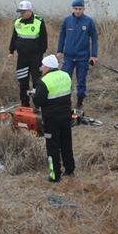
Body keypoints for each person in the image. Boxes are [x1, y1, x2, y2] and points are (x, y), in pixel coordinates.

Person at [33, 54, 75, 182]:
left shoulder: (44, 81)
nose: (41, 68)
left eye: (43, 65)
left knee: (52, 147)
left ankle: (55, 174)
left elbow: (38, 101)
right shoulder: (66, 75)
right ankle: (70, 169)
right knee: (66, 143)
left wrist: (34, 95)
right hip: (66, 116)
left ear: (48, 66)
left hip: (51, 119)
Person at [56, 0, 99, 111]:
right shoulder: (67, 20)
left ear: (83, 9)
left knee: (81, 81)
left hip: (83, 57)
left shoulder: (88, 21)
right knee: (65, 79)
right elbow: (62, 36)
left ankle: (79, 103)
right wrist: (59, 50)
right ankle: (65, 102)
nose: (78, 11)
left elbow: (94, 38)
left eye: (80, 9)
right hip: (69, 57)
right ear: (72, 9)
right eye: (76, 9)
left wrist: (94, 55)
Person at [8, 0, 47, 107]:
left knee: (36, 82)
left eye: (23, 12)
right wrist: (11, 50)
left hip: (35, 57)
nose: (21, 14)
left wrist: (40, 54)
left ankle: (37, 104)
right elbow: (14, 37)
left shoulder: (39, 21)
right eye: (20, 12)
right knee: (23, 81)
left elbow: (44, 40)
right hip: (22, 57)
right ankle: (25, 104)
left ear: (30, 11)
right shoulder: (17, 21)